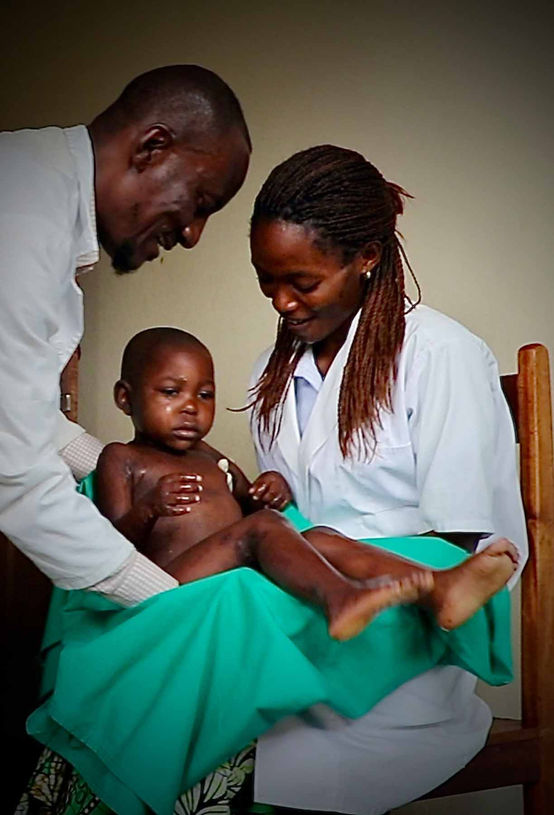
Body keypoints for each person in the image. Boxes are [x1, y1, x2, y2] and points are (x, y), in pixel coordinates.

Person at [247, 144, 529, 813]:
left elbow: (465, 548)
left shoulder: (441, 356)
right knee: (194, 712)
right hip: (304, 612)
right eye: (266, 281)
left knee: (278, 756)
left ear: (366, 256)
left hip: (411, 638)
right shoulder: (272, 369)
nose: (283, 301)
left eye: (302, 281)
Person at [0, 65, 251, 609]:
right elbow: (15, 470)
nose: (191, 234)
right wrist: (164, 605)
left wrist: (135, 466)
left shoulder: (44, 206)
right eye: (200, 202)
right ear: (152, 148)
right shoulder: (20, 219)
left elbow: (21, 416)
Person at [96, 326, 516, 640]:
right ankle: (342, 597)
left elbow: (250, 505)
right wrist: (148, 508)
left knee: (319, 537)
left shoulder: (208, 456)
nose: (190, 408)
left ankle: (439, 585)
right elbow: (111, 546)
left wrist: (270, 487)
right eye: (171, 392)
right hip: (170, 582)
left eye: (204, 395)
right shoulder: (122, 458)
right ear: (125, 398)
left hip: (229, 570)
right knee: (262, 532)